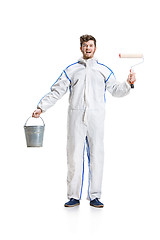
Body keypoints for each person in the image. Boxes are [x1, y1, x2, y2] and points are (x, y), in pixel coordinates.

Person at [32, 34, 136, 208]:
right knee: (74, 156)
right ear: (80, 48)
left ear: (95, 48)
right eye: (85, 45)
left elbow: (116, 90)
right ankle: (73, 196)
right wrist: (41, 107)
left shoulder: (103, 70)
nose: (88, 48)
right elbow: (57, 91)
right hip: (76, 119)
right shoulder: (72, 70)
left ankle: (95, 196)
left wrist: (128, 83)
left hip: (96, 118)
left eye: (91, 45)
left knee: (97, 156)